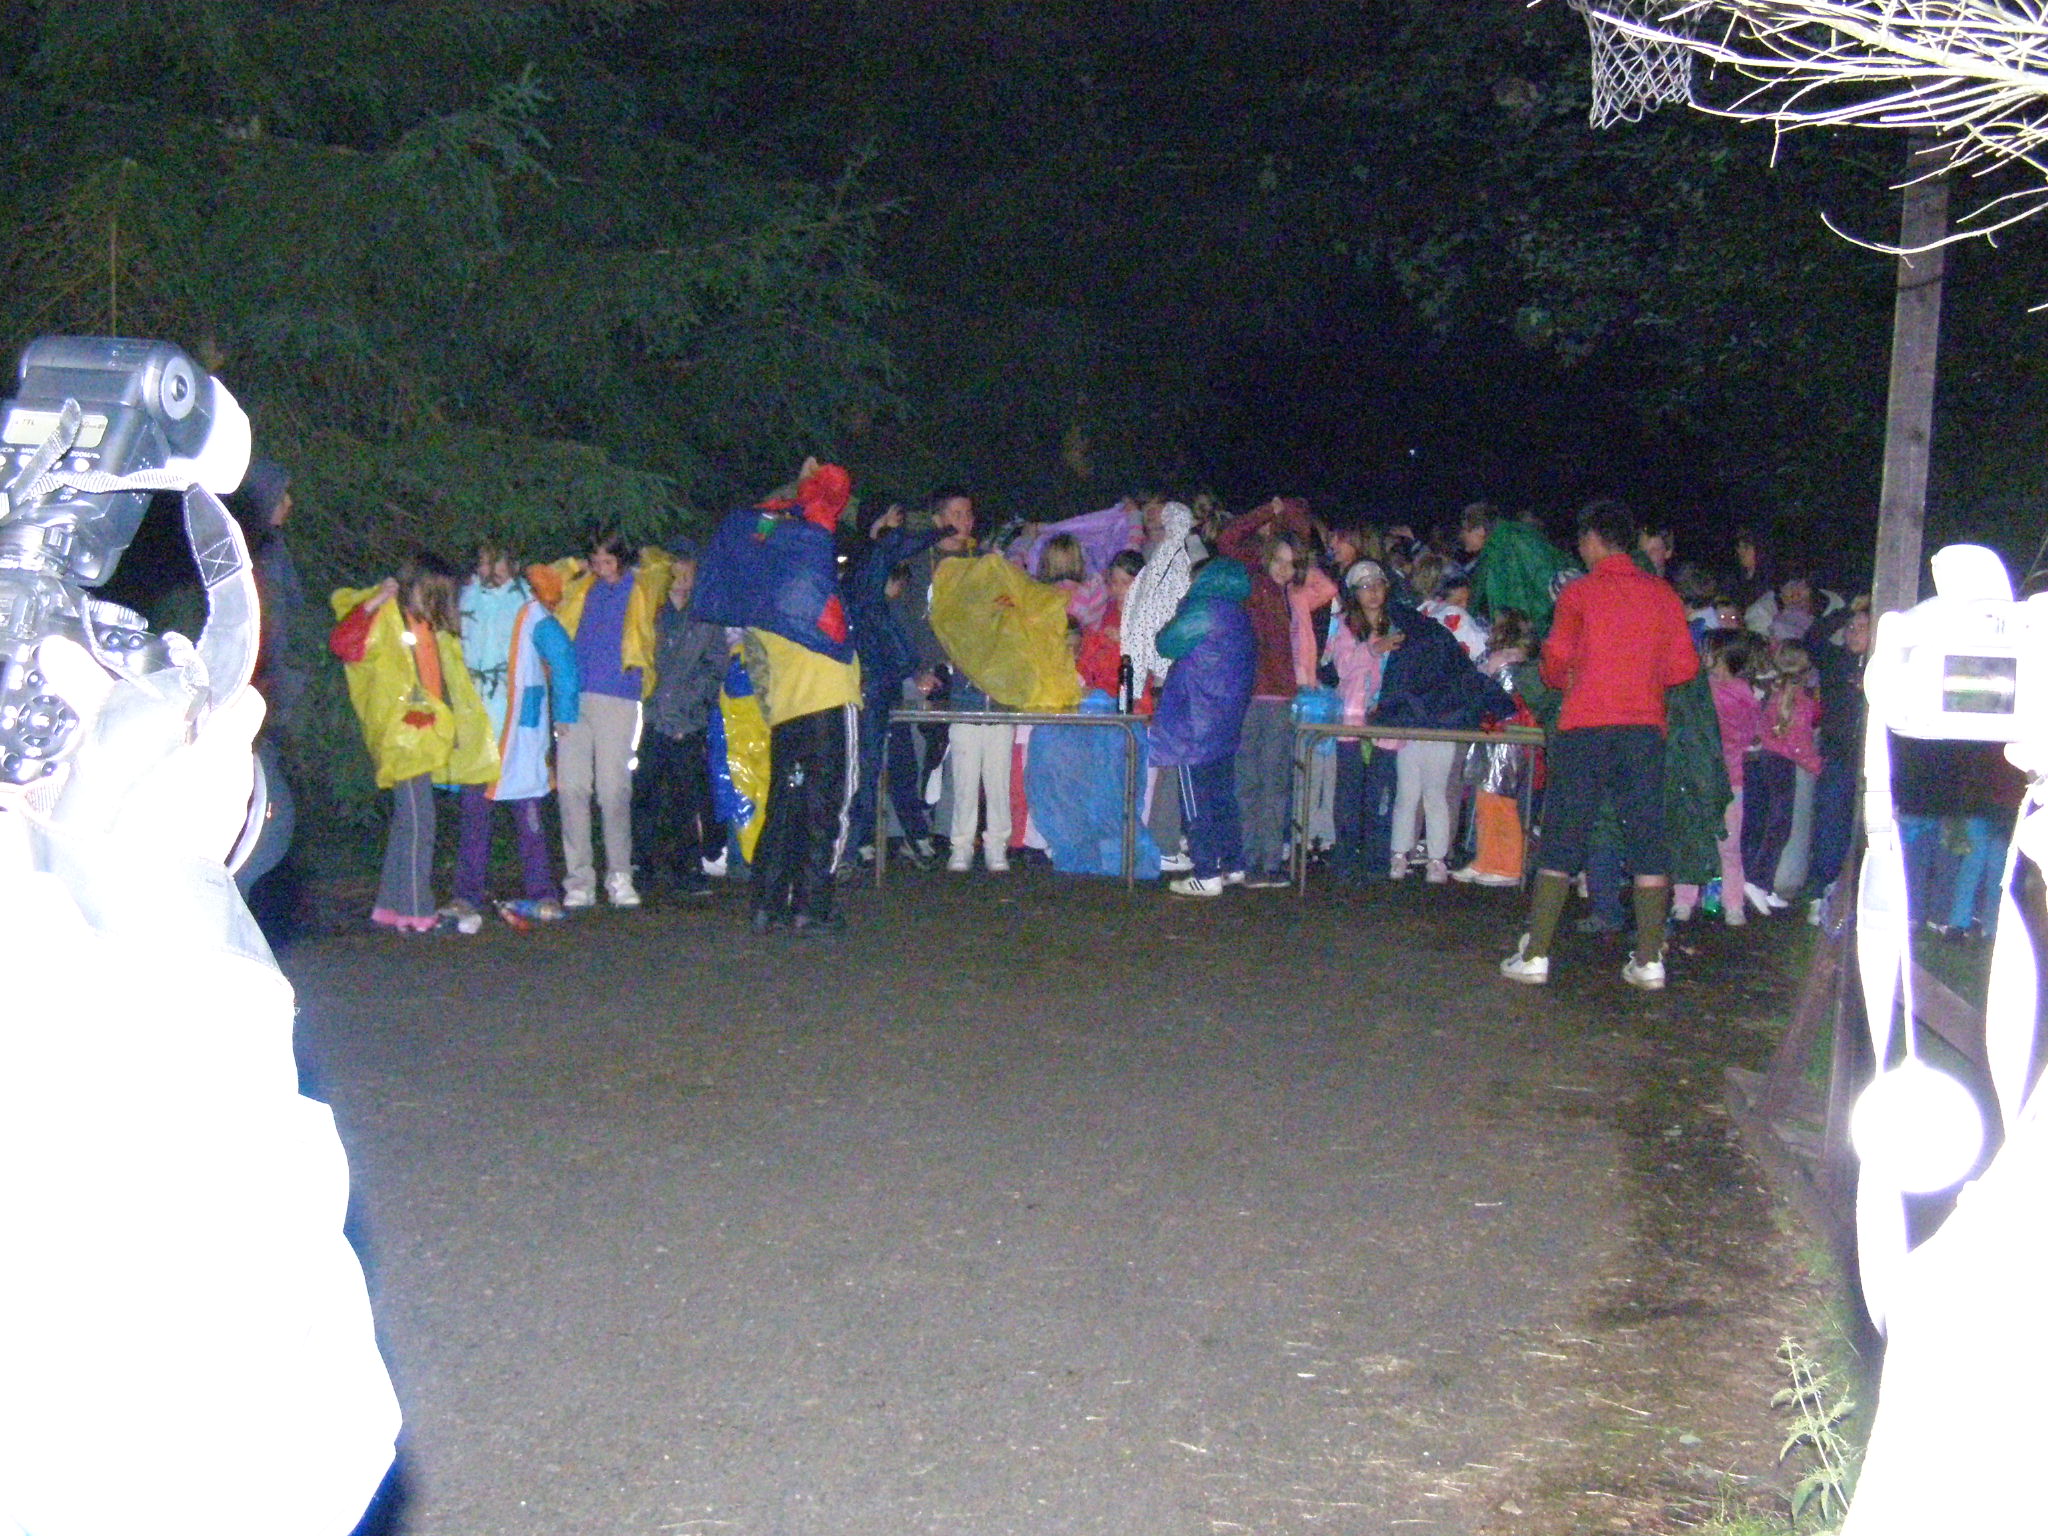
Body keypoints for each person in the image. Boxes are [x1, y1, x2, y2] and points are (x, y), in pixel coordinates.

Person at [1499, 499, 1700, 990]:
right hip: (1642, 731)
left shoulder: (1580, 593)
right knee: (1647, 838)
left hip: (1585, 728)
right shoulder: (1662, 595)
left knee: (1564, 835)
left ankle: (1537, 954)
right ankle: (1649, 960)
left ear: (1592, 539)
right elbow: (1684, 668)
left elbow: (1553, 666)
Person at [330, 554, 499, 932]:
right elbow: (343, 643)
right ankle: (417, 909)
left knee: (409, 824)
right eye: (432, 593)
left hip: (423, 735)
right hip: (401, 738)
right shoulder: (387, 618)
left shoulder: (428, 625)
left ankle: (390, 906)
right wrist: (375, 601)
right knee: (420, 824)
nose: (437, 601)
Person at [532, 534, 674, 909]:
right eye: (595, 561)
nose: (601, 569)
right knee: (571, 788)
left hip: (619, 696)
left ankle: (620, 876)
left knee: (613, 791)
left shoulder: (641, 584)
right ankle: (579, 879)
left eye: (608, 562)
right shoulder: (581, 585)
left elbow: (663, 565)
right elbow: (544, 578)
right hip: (573, 697)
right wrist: (577, 565)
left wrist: (635, 558)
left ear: (622, 560)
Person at [452, 544, 579, 926]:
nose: (492, 570)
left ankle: (542, 892)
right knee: (474, 815)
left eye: (498, 563)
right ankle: (467, 894)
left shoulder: (530, 609)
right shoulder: (463, 604)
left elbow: (563, 657)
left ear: (513, 566)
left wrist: (565, 712)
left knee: (528, 814)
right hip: (477, 729)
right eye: (484, 563)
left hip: (518, 729)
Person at [1218, 497, 1328, 888]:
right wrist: (1269, 510)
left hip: (1281, 697)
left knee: (1276, 782)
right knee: (1248, 781)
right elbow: (1228, 539)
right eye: (1278, 560)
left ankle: (1268, 862)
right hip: (1249, 695)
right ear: (1266, 557)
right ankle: (1249, 861)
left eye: (1291, 563)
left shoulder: (1293, 594)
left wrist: (1291, 518)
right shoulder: (1255, 582)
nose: (1284, 568)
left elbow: (1318, 567)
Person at [1150, 555, 1256, 896]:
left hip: (1194, 722)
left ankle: (1206, 872)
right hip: (1225, 721)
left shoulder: (1203, 611)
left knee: (1195, 800)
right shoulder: (1240, 615)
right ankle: (1233, 864)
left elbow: (1166, 643)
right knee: (1223, 795)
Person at [848, 501, 944, 867]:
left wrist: (915, 670)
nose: (897, 525)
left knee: (902, 764)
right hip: (868, 686)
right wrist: (939, 530)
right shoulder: (863, 574)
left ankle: (914, 834)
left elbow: (897, 639)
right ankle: (859, 840)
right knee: (868, 767)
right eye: (890, 518)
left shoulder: (884, 595)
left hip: (888, 685)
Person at [637, 539, 729, 899]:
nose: (681, 579)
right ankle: (643, 865)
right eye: (675, 571)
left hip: (689, 722)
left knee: (686, 796)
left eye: (687, 571)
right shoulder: (651, 614)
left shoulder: (707, 618)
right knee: (645, 793)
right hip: (653, 718)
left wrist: (690, 706)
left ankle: (688, 866)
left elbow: (715, 666)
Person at [1675, 629, 1765, 927]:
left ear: (1724, 656)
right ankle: (1687, 900)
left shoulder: (1737, 693)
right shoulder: (1699, 688)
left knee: (1726, 843)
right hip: (1701, 775)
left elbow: (1748, 731)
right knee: (1695, 838)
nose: (1703, 656)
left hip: (1728, 777)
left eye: (1709, 651)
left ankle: (1729, 902)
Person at [1324, 560, 1400, 885]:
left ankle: (1376, 863)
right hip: (1352, 723)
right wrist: (1374, 648)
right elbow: (1343, 667)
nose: (1373, 593)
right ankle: (1344, 860)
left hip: (1387, 724)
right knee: (1349, 796)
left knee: (1380, 795)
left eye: (1378, 585)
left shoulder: (1398, 624)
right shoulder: (1343, 626)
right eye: (1365, 587)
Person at [1452, 608, 1540, 887]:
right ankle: (1487, 860)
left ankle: (1508, 866)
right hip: (1491, 739)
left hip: (1506, 743)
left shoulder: (1513, 666)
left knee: (1502, 805)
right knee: (1486, 801)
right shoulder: (1506, 663)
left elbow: (1502, 706)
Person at [1741, 641, 1820, 915]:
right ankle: (1757, 881)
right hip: (1781, 764)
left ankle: (1764, 884)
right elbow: (1799, 743)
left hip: (1766, 760)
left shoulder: (1774, 694)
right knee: (1779, 827)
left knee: (1769, 823)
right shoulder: (1800, 701)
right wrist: (1817, 766)